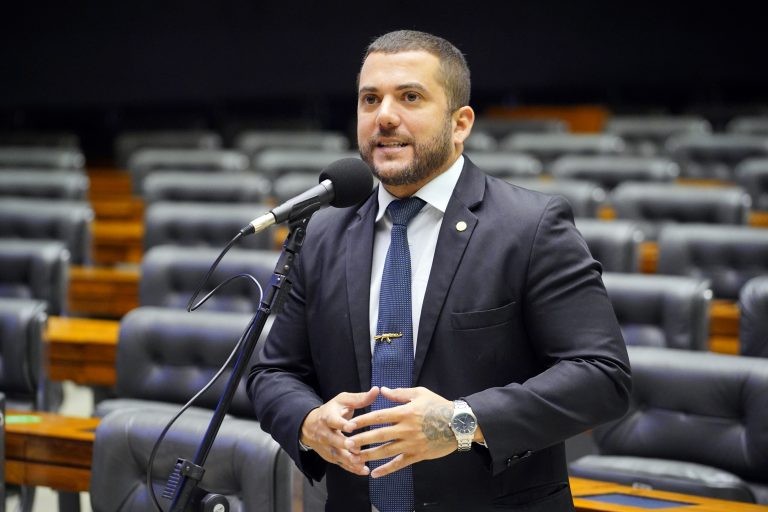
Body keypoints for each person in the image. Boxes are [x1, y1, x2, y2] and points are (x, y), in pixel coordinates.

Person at [248, 29, 631, 511]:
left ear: (460, 123)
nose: (385, 116)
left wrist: (460, 422)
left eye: (410, 97)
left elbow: (602, 377)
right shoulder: (324, 232)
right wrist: (308, 422)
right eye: (370, 99)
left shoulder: (531, 226)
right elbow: (273, 371)